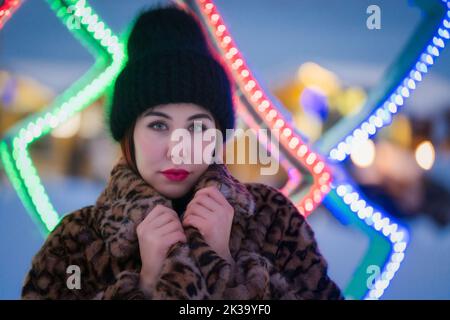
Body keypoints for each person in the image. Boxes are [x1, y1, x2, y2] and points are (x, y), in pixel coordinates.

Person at [21, 4, 342, 300]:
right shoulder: (75, 242)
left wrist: (227, 269)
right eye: (159, 126)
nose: (178, 150)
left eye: (197, 127)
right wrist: (143, 285)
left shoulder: (275, 222)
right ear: (128, 134)